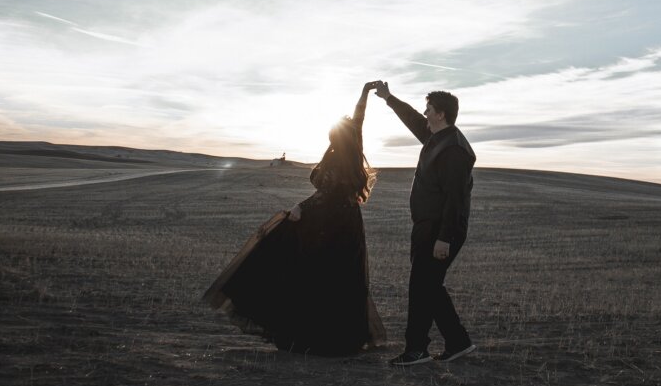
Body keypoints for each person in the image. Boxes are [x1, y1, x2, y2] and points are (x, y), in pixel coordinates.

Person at [203, 82, 386, 356]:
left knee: (319, 274)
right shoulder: (346, 153)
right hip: (344, 224)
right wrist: (362, 93)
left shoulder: (340, 159)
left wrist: (299, 208)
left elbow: (328, 195)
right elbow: (357, 120)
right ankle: (334, 338)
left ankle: (320, 339)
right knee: (334, 278)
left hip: (330, 223)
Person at [371, 81, 477, 366]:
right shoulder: (436, 138)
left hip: (439, 230)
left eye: (428, 108)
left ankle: (416, 349)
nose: (424, 112)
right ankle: (458, 341)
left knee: (421, 287)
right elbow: (412, 119)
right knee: (430, 286)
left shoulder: (453, 149)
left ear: (440, 114)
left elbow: (456, 199)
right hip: (428, 227)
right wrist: (389, 98)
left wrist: (444, 237)